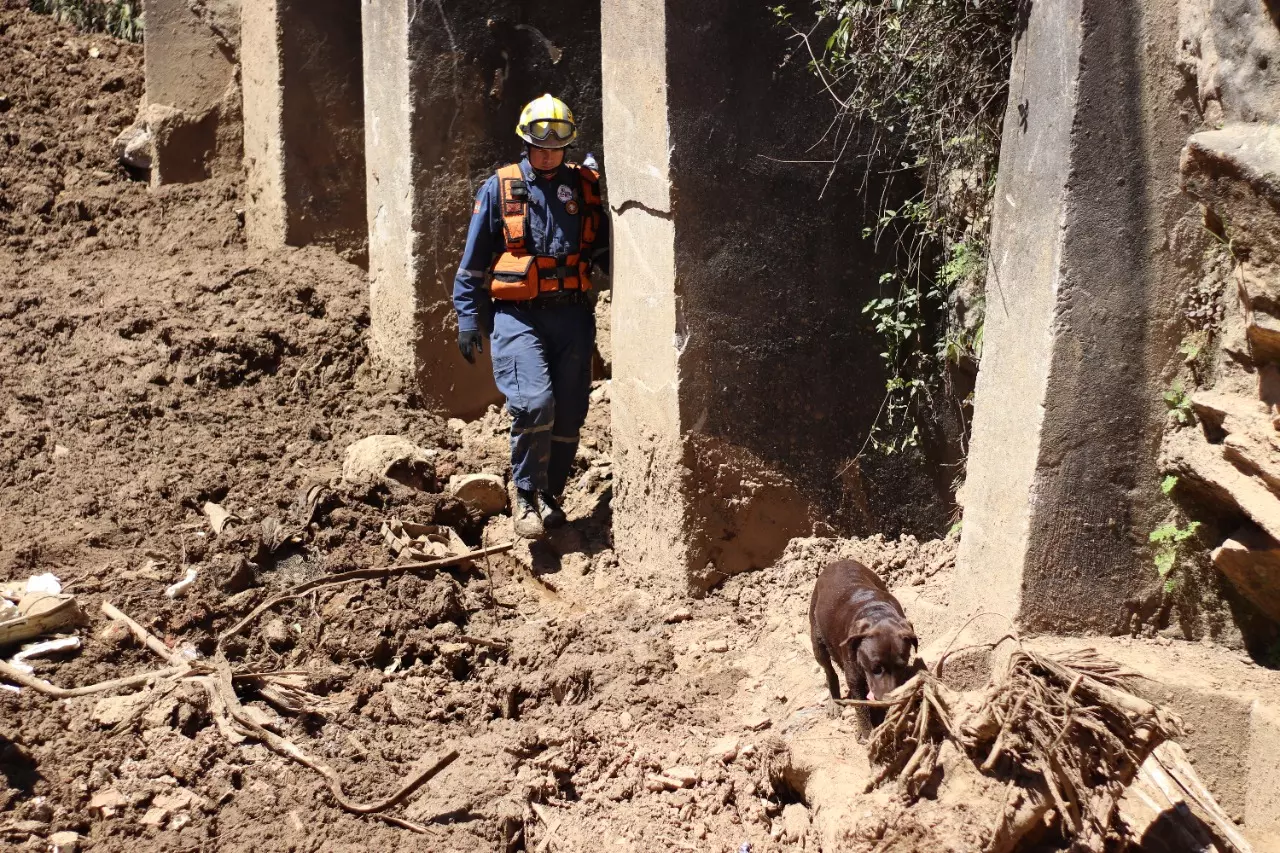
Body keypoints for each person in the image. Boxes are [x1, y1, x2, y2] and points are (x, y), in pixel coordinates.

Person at [452, 94, 609, 539]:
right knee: (533, 402)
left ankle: (550, 494)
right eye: (538, 146)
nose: (546, 154)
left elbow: (602, 250)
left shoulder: (584, 187)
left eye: (555, 147)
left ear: (568, 146)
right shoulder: (499, 188)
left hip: (573, 317)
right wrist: (467, 317)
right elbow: (473, 263)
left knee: (571, 412)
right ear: (525, 143)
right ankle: (524, 494)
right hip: (518, 316)